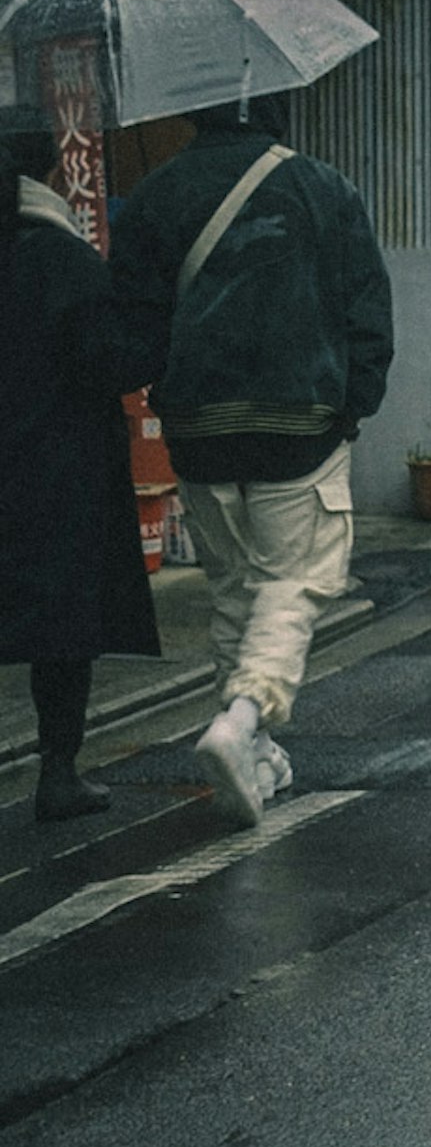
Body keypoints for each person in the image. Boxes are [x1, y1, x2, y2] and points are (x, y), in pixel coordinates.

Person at [105, 96, 392, 827]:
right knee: (295, 580)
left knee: (236, 589)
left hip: (199, 429)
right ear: (276, 110)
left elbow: (134, 334)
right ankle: (241, 717)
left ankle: (254, 755)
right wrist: (351, 405)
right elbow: (368, 314)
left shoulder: (154, 197)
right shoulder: (325, 190)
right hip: (300, 421)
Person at [2, 125, 162, 822]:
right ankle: (58, 773)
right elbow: (111, 361)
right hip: (54, 471)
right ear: (53, 170)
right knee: (60, 627)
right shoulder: (63, 260)